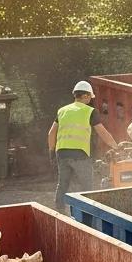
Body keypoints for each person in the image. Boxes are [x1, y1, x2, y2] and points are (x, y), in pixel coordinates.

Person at [47, 80, 118, 212]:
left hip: (61, 154)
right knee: (86, 187)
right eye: (90, 97)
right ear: (85, 96)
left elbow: (51, 132)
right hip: (80, 154)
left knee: (63, 184)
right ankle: (86, 216)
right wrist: (115, 146)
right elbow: (102, 132)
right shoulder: (89, 111)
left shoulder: (62, 111)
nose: (90, 100)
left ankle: (59, 213)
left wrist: (51, 151)